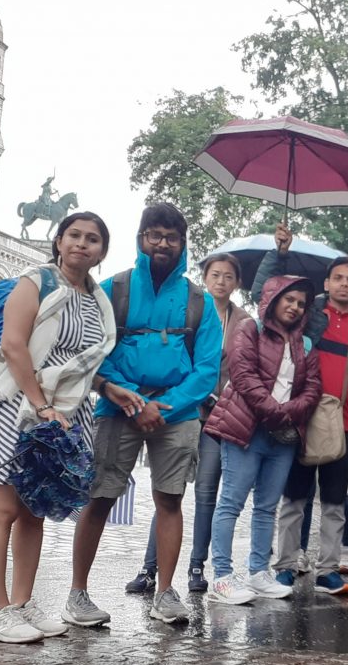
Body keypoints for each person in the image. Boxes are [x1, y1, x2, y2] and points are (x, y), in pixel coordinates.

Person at [0, 213, 127, 643]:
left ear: (102, 251)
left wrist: (107, 390)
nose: (82, 244)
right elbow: (13, 345)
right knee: (3, 508)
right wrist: (40, 405)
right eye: (74, 235)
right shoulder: (35, 281)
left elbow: (80, 362)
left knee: (34, 510)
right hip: (20, 406)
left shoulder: (97, 300)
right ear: (58, 241)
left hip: (65, 413)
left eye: (93, 239)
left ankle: (22, 604)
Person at [65, 203, 222, 627]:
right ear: (140, 238)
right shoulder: (114, 289)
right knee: (99, 497)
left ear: (183, 243)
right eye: (154, 234)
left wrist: (164, 406)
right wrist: (135, 401)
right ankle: (77, 593)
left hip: (179, 411)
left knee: (170, 499)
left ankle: (166, 593)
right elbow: (98, 353)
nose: (162, 243)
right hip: (118, 407)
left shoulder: (198, 301)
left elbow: (207, 368)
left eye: (171, 237)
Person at [125, 252, 246, 595]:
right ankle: (150, 569)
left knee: (206, 494)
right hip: (179, 410)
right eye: (215, 274)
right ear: (205, 277)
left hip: (218, 420)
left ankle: (197, 565)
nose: (221, 281)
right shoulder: (189, 307)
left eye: (228, 276)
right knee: (169, 493)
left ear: (236, 283)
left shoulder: (244, 323)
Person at [204, 276, 323, 604]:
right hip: (246, 429)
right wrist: (274, 410)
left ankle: (258, 572)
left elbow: (313, 388)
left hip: (282, 436)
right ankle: (222, 577)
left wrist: (287, 413)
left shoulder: (306, 344)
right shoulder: (249, 329)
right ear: (273, 298)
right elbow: (243, 374)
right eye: (289, 299)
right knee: (231, 502)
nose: (295, 307)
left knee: (267, 506)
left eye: (301, 303)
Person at [271, 255, 348, 597]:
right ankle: (285, 566)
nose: (344, 283)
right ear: (327, 284)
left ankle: (328, 571)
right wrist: (279, 254)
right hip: (302, 418)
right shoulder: (307, 316)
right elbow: (267, 296)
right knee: (295, 497)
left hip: (344, 422)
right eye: (338, 278)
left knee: (333, 501)